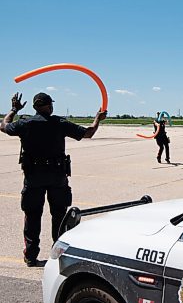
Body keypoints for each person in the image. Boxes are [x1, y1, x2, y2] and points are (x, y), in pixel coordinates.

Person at [0, 92, 107, 267]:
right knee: (59, 216)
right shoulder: (59, 123)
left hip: (34, 177)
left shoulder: (26, 123)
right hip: (57, 176)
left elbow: (4, 126)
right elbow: (88, 133)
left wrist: (13, 109)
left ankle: (31, 256)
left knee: (32, 216)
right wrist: (98, 118)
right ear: (49, 106)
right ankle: (58, 255)